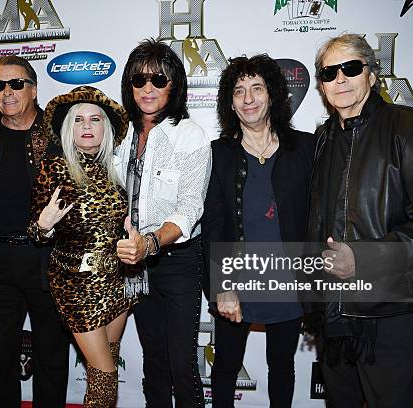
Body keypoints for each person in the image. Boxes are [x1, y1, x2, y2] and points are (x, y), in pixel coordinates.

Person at [309, 33, 413, 407]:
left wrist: (363, 257)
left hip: (391, 309)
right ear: (322, 86)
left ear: (371, 75)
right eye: (328, 73)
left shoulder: (411, 127)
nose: (339, 79)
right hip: (335, 311)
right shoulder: (324, 137)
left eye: (350, 68)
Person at [201, 55, 314, 408]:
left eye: (256, 88)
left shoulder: (307, 149)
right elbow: (213, 226)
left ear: (273, 95)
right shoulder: (218, 155)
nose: (248, 98)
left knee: (282, 367)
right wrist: (223, 289)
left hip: (289, 283)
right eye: (238, 91)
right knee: (225, 369)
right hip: (238, 284)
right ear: (230, 103)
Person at [115, 38, 212, 407]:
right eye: (139, 80)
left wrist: (151, 243)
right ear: (129, 86)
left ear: (174, 84)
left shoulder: (190, 136)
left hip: (177, 262)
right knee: (153, 361)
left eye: (158, 79)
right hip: (133, 264)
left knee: (180, 364)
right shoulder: (121, 135)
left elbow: (190, 209)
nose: (148, 88)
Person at [0, 55, 69, 407]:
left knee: (51, 353)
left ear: (33, 89)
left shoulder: (59, 131)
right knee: (1, 357)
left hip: (48, 259)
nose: (7, 92)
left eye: (16, 84)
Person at [28, 86, 132, 407]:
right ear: (67, 128)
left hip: (118, 282)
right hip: (77, 284)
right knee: (104, 377)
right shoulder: (55, 169)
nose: (87, 127)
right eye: (79, 120)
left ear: (107, 128)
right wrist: (43, 225)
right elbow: (35, 232)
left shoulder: (114, 169)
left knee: (107, 367)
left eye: (95, 119)